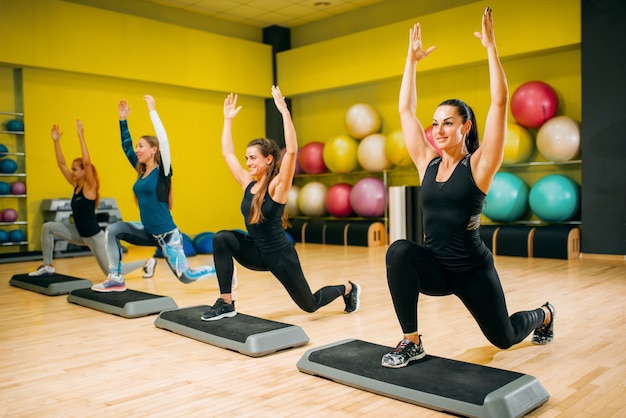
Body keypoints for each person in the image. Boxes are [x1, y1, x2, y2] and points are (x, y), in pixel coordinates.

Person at [381, 8, 555, 368]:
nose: (438, 130)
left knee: (504, 338)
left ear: (466, 127)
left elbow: (500, 103)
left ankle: (545, 314)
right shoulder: (426, 162)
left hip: (472, 270)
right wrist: (410, 62)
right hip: (436, 268)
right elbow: (404, 111)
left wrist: (491, 47)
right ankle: (411, 342)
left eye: (448, 123)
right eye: (435, 124)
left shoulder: (479, 165)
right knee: (398, 251)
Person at [200, 86, 360, 321]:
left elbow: (292, 151)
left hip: (280, 256)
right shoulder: (247, 183)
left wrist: (284, 112)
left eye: (253, 158)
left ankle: (347, 288)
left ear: (269, 159)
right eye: (247, 158)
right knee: (222, 238)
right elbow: (227, 153)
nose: (248, 162)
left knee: (310, 304)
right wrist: (227, 120)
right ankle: (226, 302)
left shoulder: (277, 186)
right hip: (256, 251)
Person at [91, 95, 222, 292]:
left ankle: (223, 272)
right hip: (147, 230)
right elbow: (125, 145)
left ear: (153, 150)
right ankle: (116, 278)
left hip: (167, 235)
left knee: (187, 276)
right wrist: (122, 120)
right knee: (113, 230)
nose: (136, 149)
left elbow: (164, 141)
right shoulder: (141, 170)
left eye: (141, 146)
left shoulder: (163, 171)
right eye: (137, 146)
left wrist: (152, 111)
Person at [29, 120, 156, 279]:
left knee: (113, 272)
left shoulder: (90, 188)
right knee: (48, 227)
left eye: (75, 169)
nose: (72, 172)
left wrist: (81, 136)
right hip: (78, 233)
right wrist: (56, 142)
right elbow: (61, 164)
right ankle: (47, 266)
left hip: (95, 238)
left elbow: (87, 162)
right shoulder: (76, 185)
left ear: (84, 172)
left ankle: (146, 262)